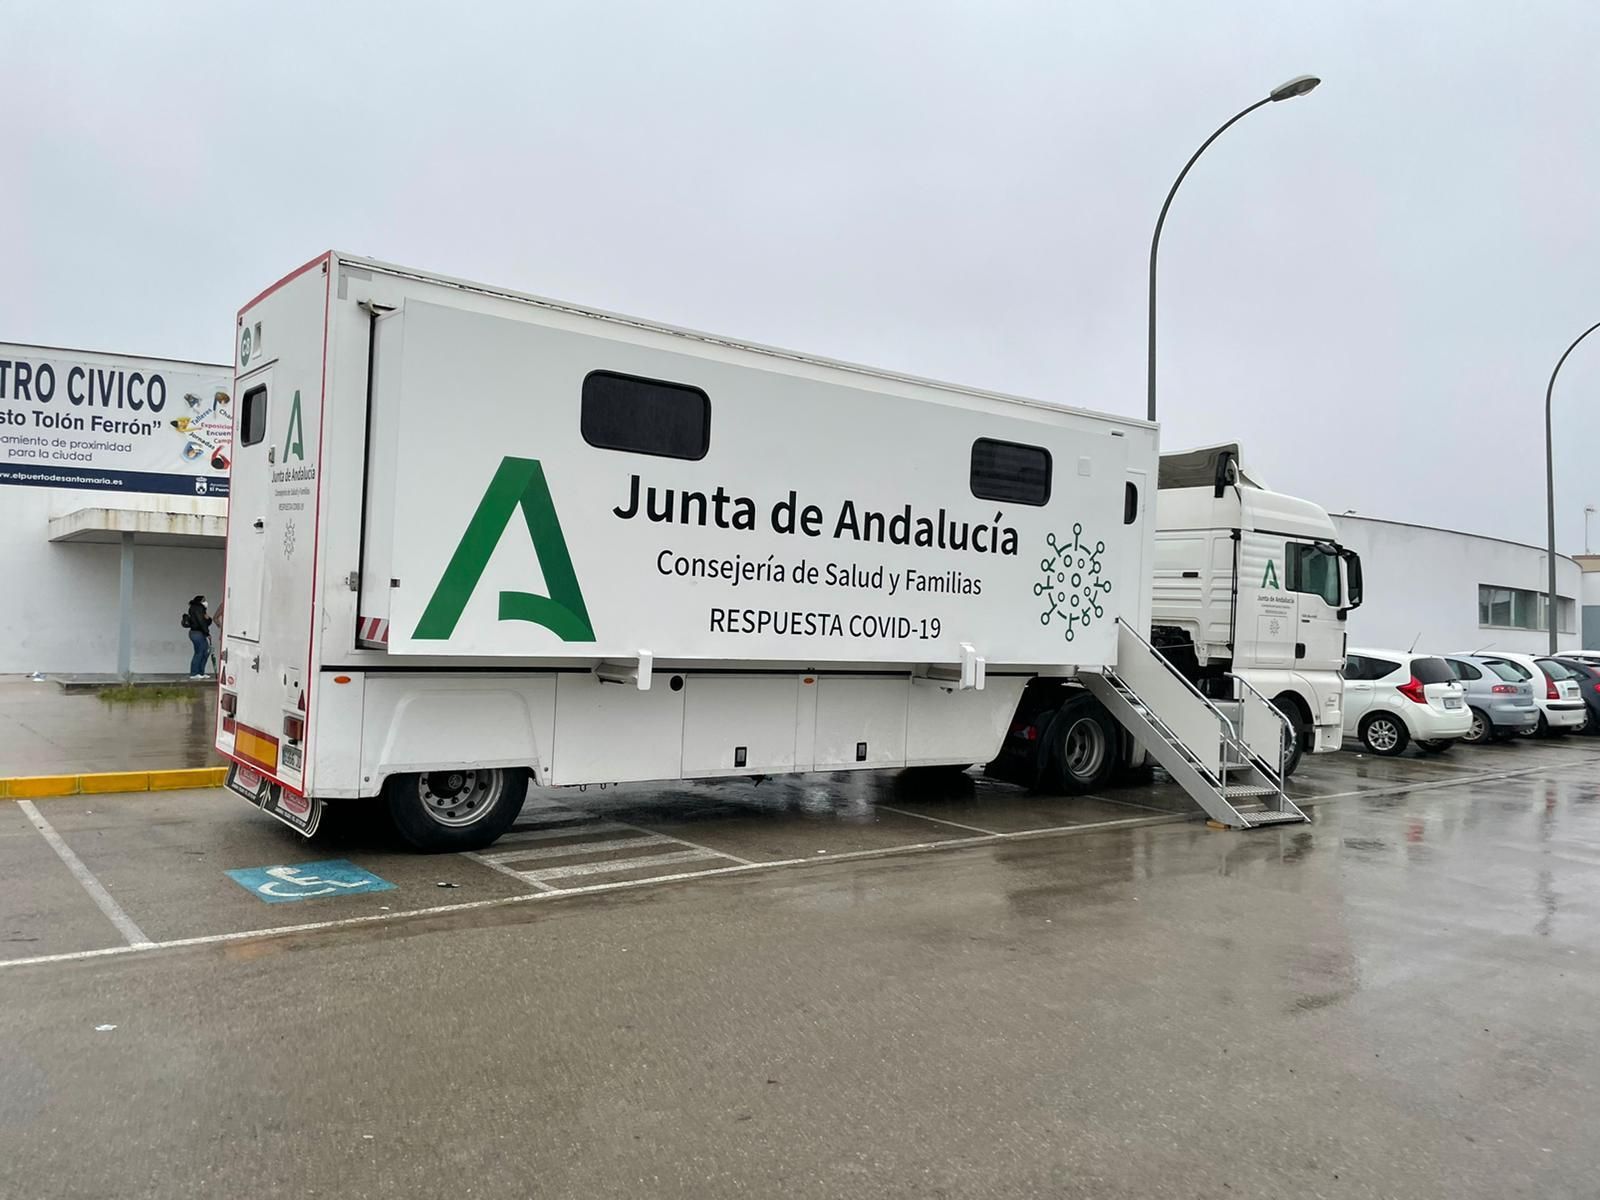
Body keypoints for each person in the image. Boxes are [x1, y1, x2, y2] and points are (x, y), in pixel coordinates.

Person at [185, 595, 212, 678]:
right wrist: (207, 633)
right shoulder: (198, 609)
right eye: (204, 600)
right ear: (199, 601)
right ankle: (194, 673)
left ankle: (200, 672)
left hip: (197, 633)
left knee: (204, 652)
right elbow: (201, 622)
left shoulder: (197, 609)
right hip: (198, 633)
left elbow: (206, 621)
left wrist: (208, 619)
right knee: (200, 652)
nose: (205, 602)